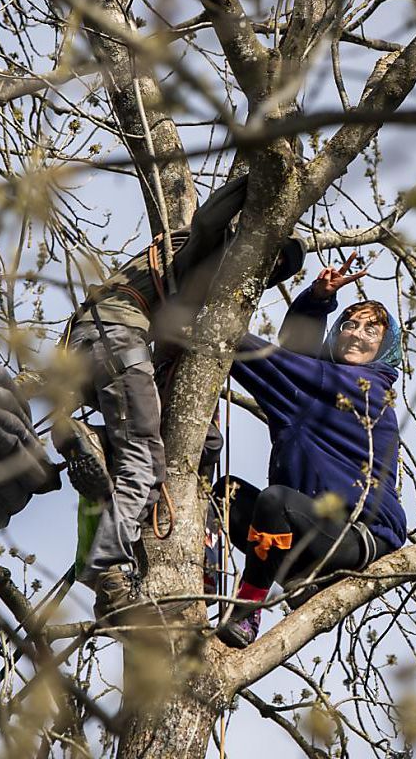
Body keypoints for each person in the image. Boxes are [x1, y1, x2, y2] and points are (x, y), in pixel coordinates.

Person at [49, 175, 305, 621]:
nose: (266, 269)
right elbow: (207, 222)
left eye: (275, 269)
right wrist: (256, 177)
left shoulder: (197, 289)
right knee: (144, 460)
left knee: (195, 444)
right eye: (270, 257)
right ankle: (109, 571)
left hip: (100, 345)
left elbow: (170, 355)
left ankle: (93, 442)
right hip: (114, 335)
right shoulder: (201, 247)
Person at [216, 253, 407, 648]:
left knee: (274, 502)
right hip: (309, 524)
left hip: (361, 534)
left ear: (385, 349)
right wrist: (317, 301)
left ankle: (247, 611)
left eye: (371, 331)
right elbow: (297, 358)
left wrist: (217, 329)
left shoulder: (364, 392)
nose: (356, 334)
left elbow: (284, 364)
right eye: (349, 325)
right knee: (224, 496)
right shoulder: (313, 387)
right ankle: (299, 577)